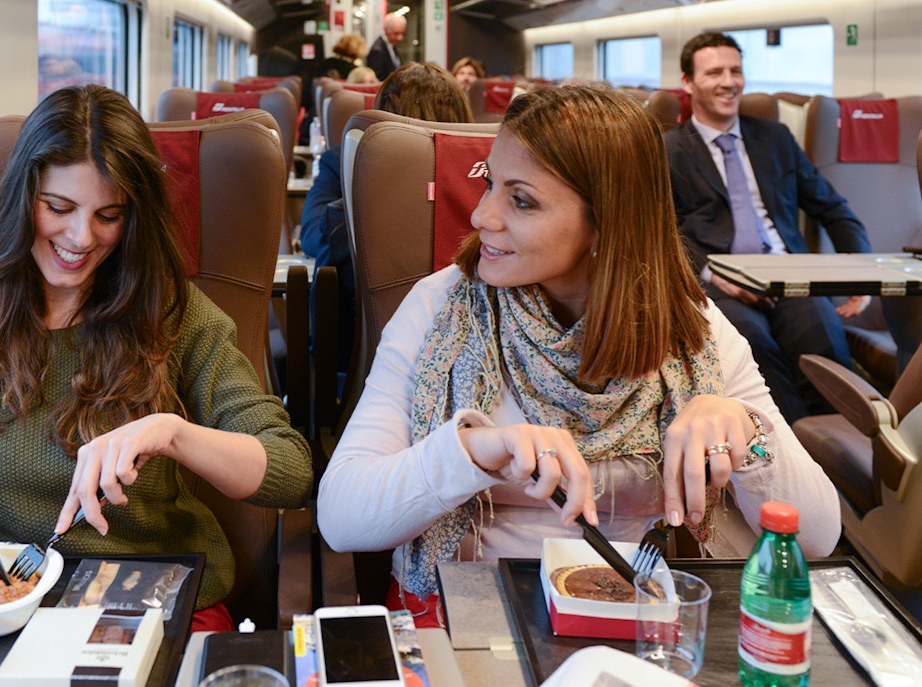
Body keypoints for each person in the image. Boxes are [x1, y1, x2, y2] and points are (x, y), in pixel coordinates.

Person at [316, 86, 840, 628]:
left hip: (634, 611)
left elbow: (819, 537)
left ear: (606, 224)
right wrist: (473, 451)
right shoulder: (439, 307)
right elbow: (342, 517)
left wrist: (746, 430)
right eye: (489, 183)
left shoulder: (689, 328)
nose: (480, 216)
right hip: (466, 607)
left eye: (521, 200)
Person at [0, 85, 313, 632]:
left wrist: (172, 433)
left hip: (146, 592)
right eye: (58, 208)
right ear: (23, 200)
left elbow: (290, 471)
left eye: (108, 215)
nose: (80, 237)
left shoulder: (174, 314)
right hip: (2, 603)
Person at [664, 33, 871, 425]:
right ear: (688, 83)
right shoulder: (669, 148)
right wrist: (709, 272)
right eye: (714, 72)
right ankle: (791, 452)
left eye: (735, 70)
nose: (729, 81)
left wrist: (860, 272)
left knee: (822, 339)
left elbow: (832, 208)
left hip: (787, 272)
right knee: (751, 347)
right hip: (719, 282)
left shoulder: (774, 139)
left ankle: (844, 452)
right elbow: (660, 233)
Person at [301, 62, 473, 380]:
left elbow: (313, 237)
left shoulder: (342, 212)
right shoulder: (495, 195)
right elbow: (312, 234)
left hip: (369, 372)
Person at [366, 13, 407, 81]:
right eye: (396, 33)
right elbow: (376, 80)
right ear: (386, 30)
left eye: (403, 33)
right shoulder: (377, 51)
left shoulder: (392, 45)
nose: (400, 38)